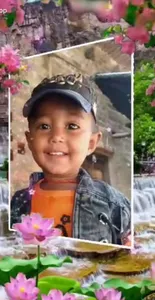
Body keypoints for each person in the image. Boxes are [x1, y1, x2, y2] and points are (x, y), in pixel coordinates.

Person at [11, 73, 131, 245]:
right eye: (44, 126)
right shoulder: (19, 201)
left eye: (72, 126)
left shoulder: (114, 204)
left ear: (91, 143)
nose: (56, 137)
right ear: (30, 141)